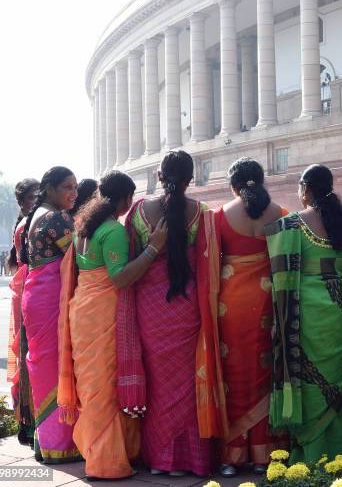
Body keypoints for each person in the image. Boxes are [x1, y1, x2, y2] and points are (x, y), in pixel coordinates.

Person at [56, 171, 167, 479]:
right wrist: (153, 248)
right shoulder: (113, 231)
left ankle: (99, 455)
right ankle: (105, 463)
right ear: (124, 199)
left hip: (83, 310)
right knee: (104, 390)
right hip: (103, 313)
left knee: (94, 389)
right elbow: (119, 278)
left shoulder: (84, 227)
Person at [119, 151, 213, 476]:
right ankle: (189, 459)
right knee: (187, 380)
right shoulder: (201, 212)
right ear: (190, 178)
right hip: (187, 305)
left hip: (150, 309)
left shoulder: (139, 211)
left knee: (158, 383)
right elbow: (207, 262)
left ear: (159, 176)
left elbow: (129, 260)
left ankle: (160, 460)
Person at [197, 158, 286, 477]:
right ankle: (265, 457)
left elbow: (208, 264)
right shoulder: (280, 213)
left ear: (233, 185)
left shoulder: (218, 216)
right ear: (260, 181)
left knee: (232, 376)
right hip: (268, 301)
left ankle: (231, 459)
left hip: (229, 303)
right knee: (265, 374)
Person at [265, 164, 342, 463]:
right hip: (340, 312)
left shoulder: (291, 225)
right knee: (337, 383)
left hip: (306, 313)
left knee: (312, 383)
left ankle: (313, 455)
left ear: (305, 189)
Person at [19, 167, 81, 463]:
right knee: (56, 365)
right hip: (49, 299)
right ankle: (61, 444)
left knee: (45, 367)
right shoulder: (58, 218)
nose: (73, 193)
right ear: (51, 188)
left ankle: (47, 443)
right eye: (68, 187)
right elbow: (81, 260)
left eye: (76, 187)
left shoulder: (37, 214)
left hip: (37, 296)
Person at [6, 177, 39, 446]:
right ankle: (27, 423)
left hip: (28, 292)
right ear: (21, 202)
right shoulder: (26, 227)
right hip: (28, 294)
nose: (36, 201)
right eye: (31, 197)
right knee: (27, 355)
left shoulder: (33, 222)